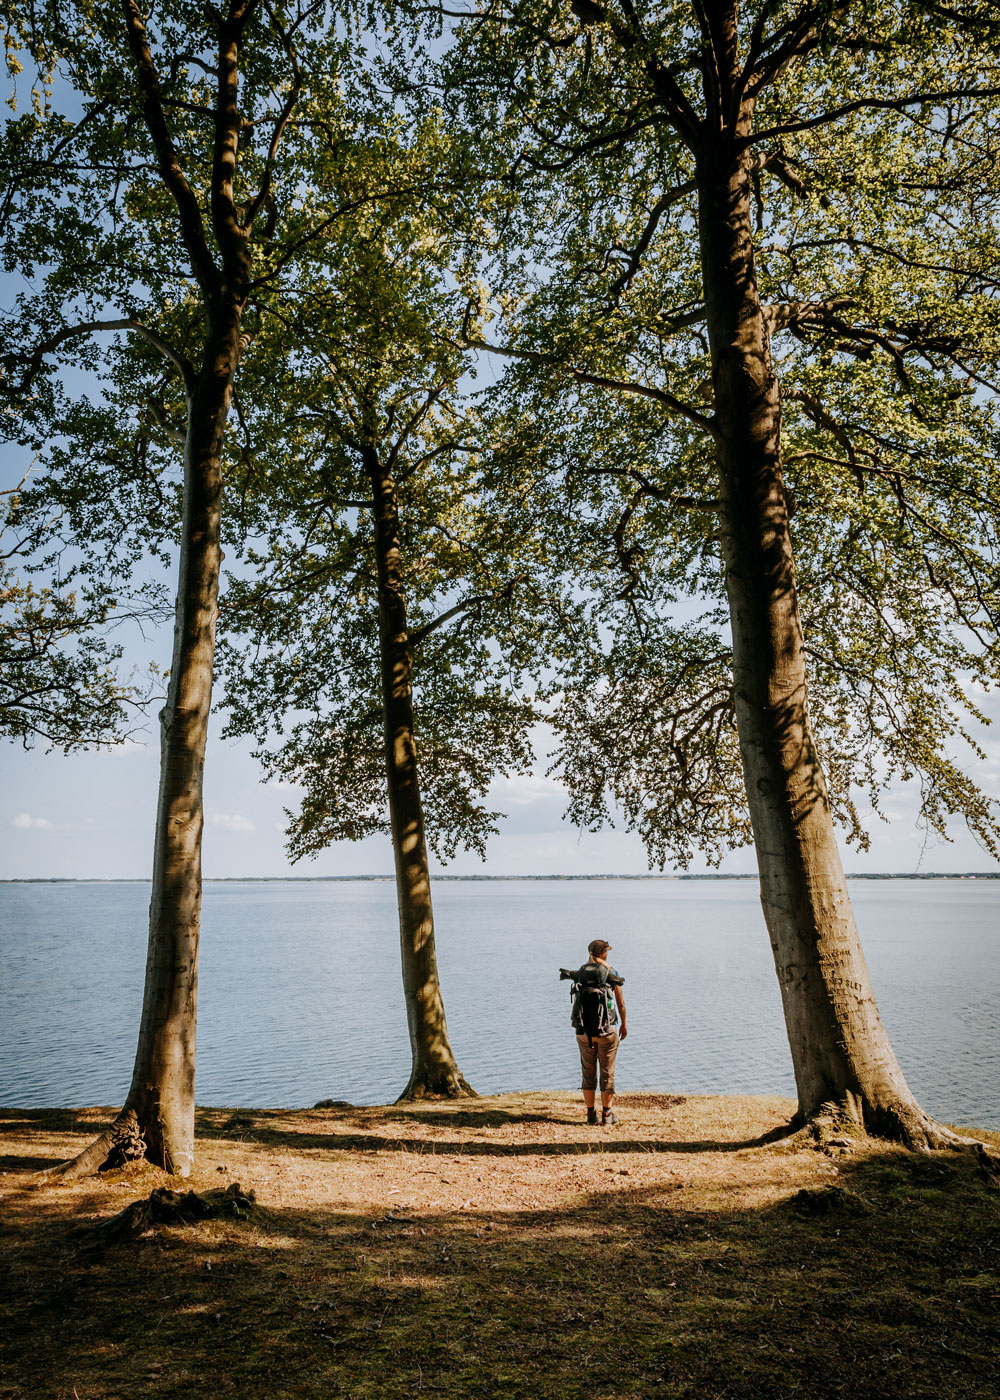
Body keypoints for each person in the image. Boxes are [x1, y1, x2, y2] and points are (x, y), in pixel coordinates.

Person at [573, 939, 627, 1126]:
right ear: (603, 953)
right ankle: (607, 1115)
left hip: (584, 1032)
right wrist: (624, 1024)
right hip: (608, 1029)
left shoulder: (581, 972)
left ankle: (590, 1114)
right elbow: (620, 1003)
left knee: (588, 1072)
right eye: (606, 951)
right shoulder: (611, 972)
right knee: (607, 1071)